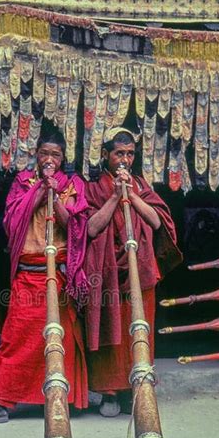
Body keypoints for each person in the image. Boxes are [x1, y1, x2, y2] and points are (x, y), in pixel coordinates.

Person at [0, 126, 89, 426]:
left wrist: (55, 195)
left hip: (57, 274)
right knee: (16, 339)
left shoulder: (73, 184)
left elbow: (74, 224)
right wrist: (40, 190)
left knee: (59, 339)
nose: (49, 159)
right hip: (28, 274)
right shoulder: (22, 182)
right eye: (44, 153)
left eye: (55, 155)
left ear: (63, 158)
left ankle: (60, 399)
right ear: (36, 154)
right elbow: (12, 220)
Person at [84, 126, 182, 417]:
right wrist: (114, 197)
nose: (124, 159)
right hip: (107, 273)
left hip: (140, 273)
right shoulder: (94, 187)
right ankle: (110, 395)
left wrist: (131, 195)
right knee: (112, 335)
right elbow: (90, 228)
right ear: (106, 155)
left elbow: (155, 222)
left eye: (129, 154)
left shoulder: (140, 184)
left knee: (139, 332)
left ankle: (136, 393)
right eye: (118, 153)